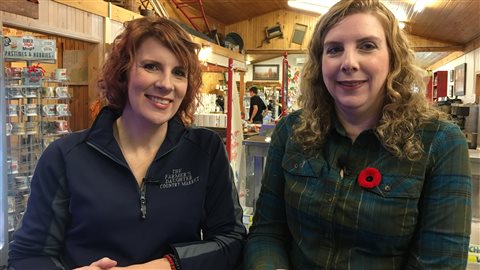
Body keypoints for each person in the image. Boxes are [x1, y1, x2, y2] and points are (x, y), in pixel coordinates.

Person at [244, 0, 472, 269]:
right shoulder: (291, 131)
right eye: (334, 49)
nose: (349, 62)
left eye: (367, 46)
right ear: (320, 63)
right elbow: (267, 233)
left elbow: (439, 263)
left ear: (393, 58)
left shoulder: (440, 142)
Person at [9, 16, 246, 270]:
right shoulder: (66, 156)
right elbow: (27, 256)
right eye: (151, 66)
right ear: (123, 72)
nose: (166, 84)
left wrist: (166, 266)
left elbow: (232, 241)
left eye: (179, 72)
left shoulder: (205, 150)